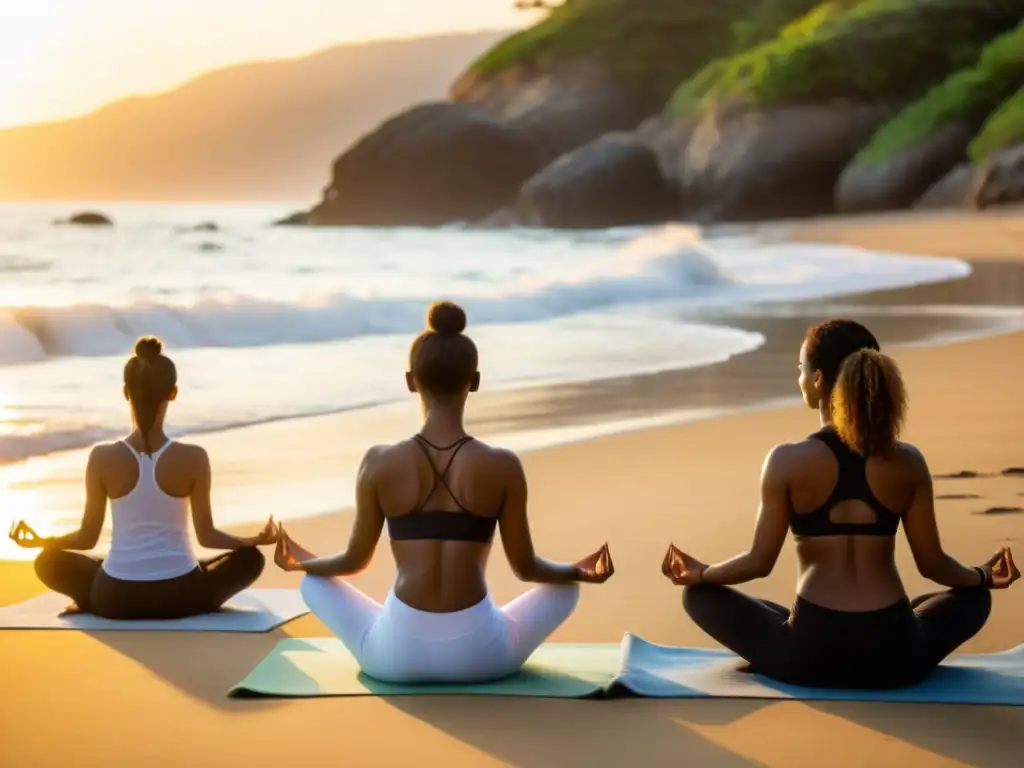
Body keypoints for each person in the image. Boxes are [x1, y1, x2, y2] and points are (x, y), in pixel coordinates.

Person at [663, 318, 1019, 689]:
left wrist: (702, 573)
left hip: (810, 655)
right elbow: (934, 565)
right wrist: (981, 577)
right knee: (971, 600)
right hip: (896, 655)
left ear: (818, 380)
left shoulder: (787, 461)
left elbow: (759, 562)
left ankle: (783, 628)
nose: (799, 378)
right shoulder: (907, 461)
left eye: (801, 369)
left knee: (699, 597)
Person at [274, 300, 614, 684]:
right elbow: (526, 569)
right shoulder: (502, 465)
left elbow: (354, 561)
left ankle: (375, 623)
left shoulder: (379, 462)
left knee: (313, 582)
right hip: (482, 658)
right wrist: (576, 570)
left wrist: (304, 564)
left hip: (394, 659)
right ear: (475, 381)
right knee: (565, 589)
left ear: (410, 380)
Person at [8, 336, 277, 620]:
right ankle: (198, 591)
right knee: (250, 559)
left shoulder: (102, 457)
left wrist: (42, 541)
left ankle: (89, 600)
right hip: (182, 596)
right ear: (173, 393)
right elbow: (207, 536)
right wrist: (253, 540)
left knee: (49, 560)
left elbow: (87, 538)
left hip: (114, 598)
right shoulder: (194, 458)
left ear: (126, 392)